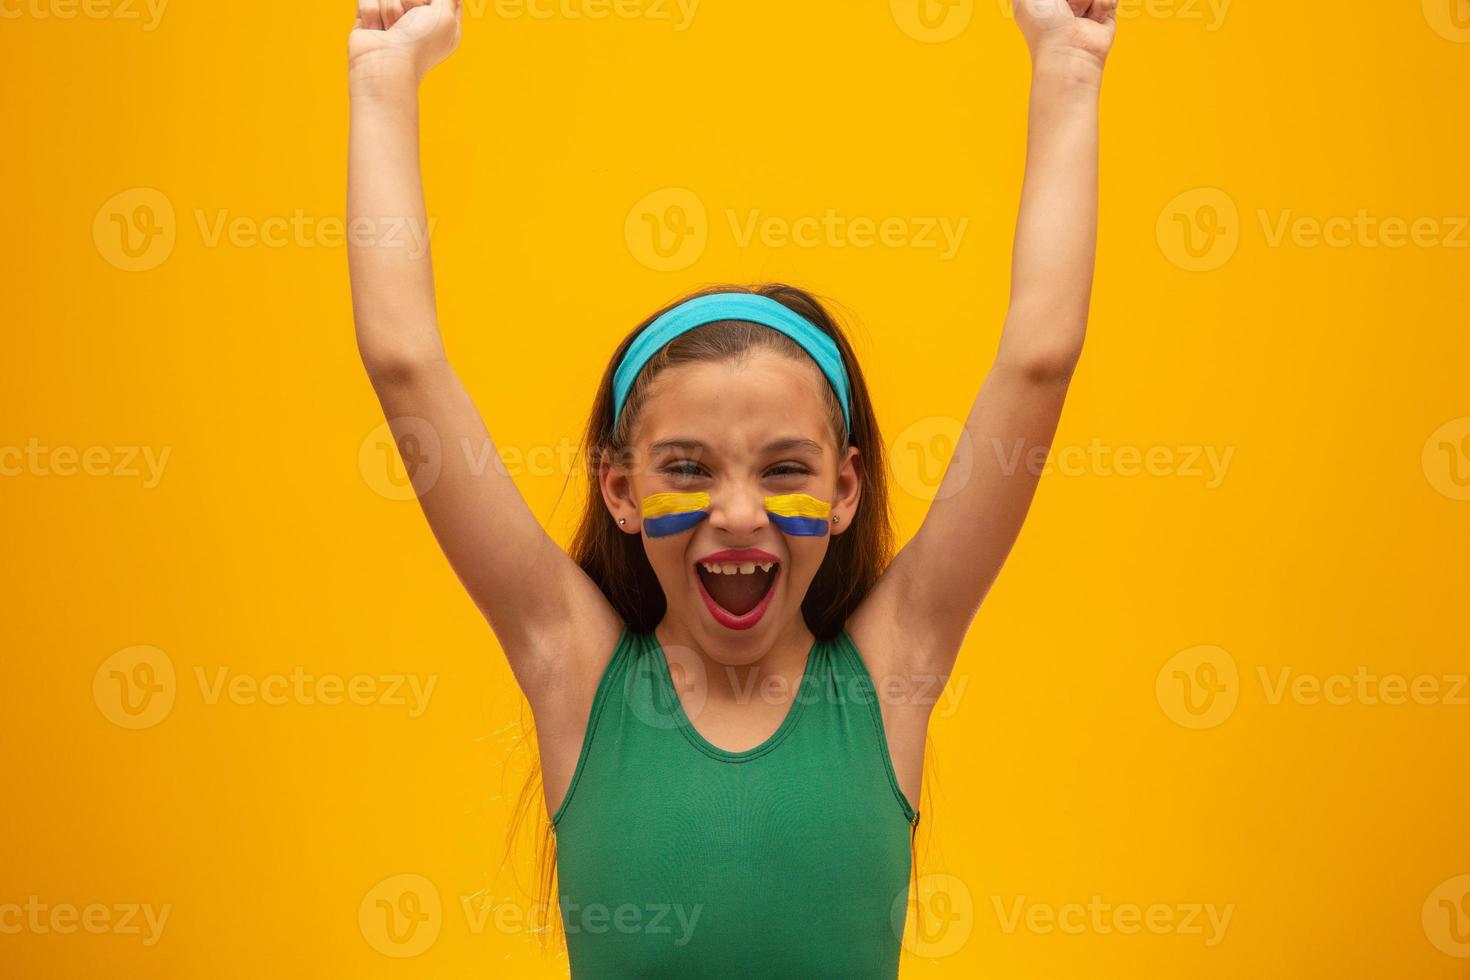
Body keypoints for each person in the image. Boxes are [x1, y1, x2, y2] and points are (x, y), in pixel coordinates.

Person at [347, 1, 1118, 975]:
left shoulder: (890, 670)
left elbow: (1039, 357)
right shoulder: (577, 674)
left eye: (785, 467)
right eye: (687, 468)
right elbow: (406, 362)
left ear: (845, 489)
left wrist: (1070, 61)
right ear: (620, 490)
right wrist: (382, 72)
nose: (740, 510)